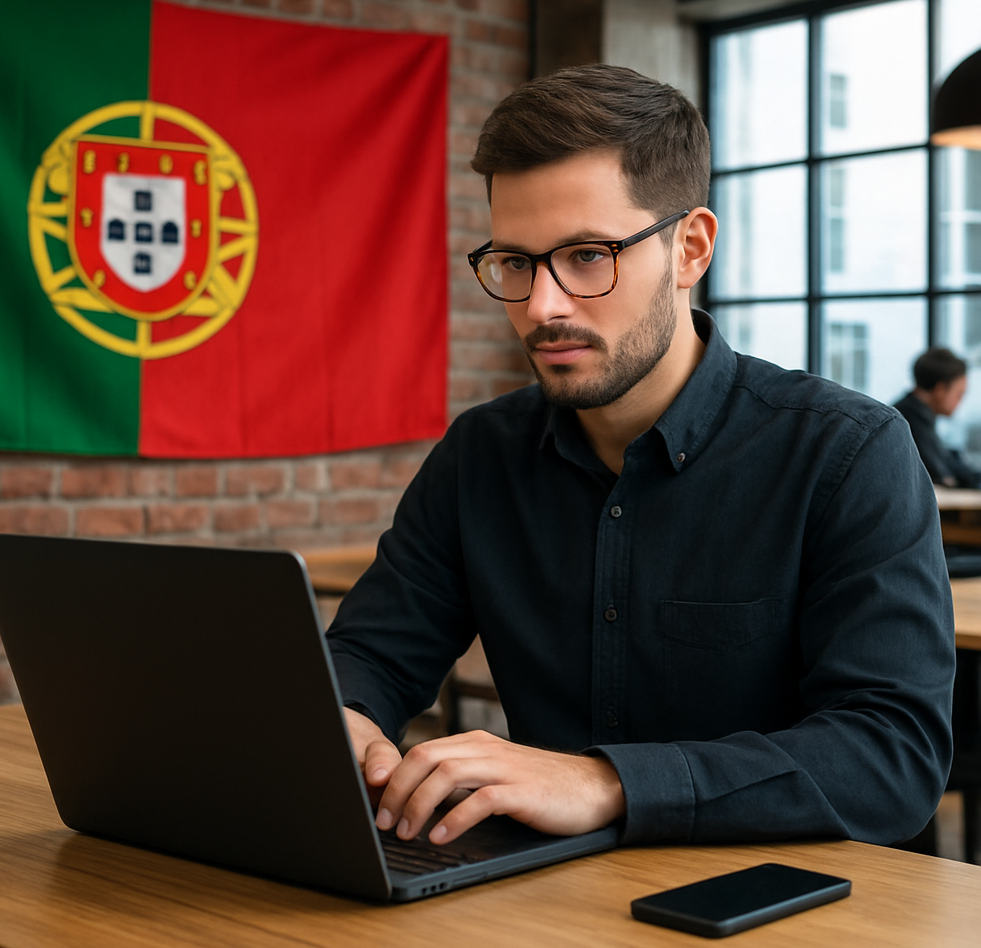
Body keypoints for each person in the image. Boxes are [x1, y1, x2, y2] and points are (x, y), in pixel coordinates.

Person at [326, 64, 954, 851]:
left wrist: (607, 783)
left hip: (792, 899)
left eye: (588, 255)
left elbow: (892, 757)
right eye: (515, 262)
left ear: (690, 249)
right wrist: (345, 720)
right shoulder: (480, 455)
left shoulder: (847, 452)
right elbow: (371, 653)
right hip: (543, 893)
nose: (542, 306)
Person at [894, 348, 981, 488]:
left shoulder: (912, 414)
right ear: (940, 390)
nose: (960, 401)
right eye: (959, 394)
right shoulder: (911, 423)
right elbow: (942, 477)